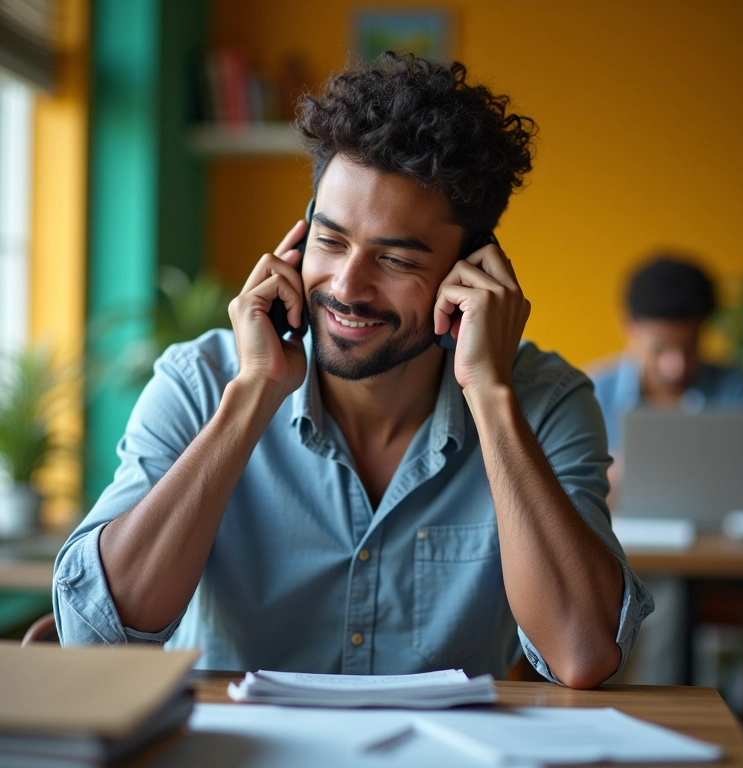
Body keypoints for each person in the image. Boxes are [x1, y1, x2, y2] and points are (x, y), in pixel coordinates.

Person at [54, 52, 652, 688]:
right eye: (331, 241)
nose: (346, 287)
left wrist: (492, 395)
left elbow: (582, 653)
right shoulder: (200, 379)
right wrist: (254, 392)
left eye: (396, 261)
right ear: (299, 236)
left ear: (470, 275)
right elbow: (96, 638)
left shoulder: (543, 401)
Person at [590, 254, 743, 684]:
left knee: (669, 584)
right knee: (662, 583)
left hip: (722, 560)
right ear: (627, 326)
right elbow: (570, 494)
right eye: (660, 348)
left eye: (689, 348)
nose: (676, 367)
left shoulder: (738, 389)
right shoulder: (593, 391)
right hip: (632, 558)